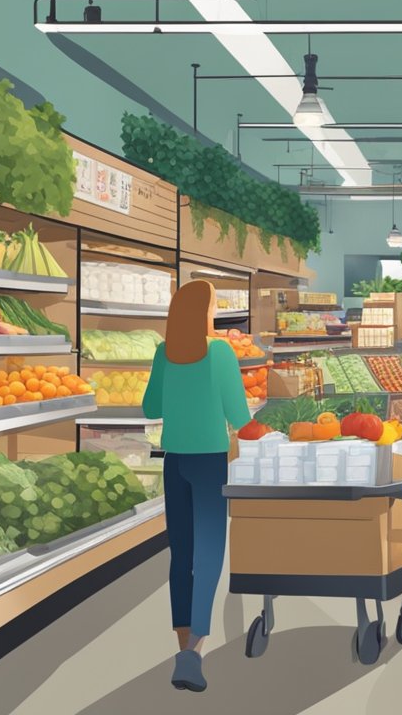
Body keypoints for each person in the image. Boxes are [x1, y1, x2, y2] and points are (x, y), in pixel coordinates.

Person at [142, 280, 251, 692]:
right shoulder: (219, 351)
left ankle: (181, 643)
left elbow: (151, 407)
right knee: (208, 554)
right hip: (209, 462)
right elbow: (238, 413)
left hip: (175, 462)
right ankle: (194, 653)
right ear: (204, 313)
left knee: (181, 555)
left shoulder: (163, 352)